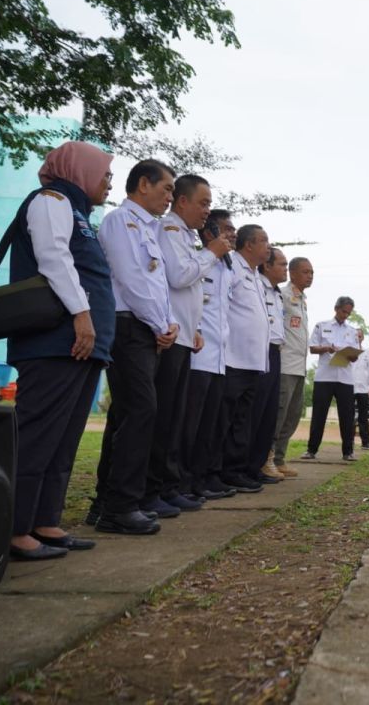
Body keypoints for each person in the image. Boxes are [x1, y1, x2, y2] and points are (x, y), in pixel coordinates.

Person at [6, 142, 116, 560]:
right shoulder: (50, 201)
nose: (107, 181)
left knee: (64, 438)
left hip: (82, 344)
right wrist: (83, 314)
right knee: (37, 436)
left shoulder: (78, 211)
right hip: (55, 341)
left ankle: (45, 521)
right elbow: (53, 258)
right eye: (104, 173)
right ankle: (15, 529)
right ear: (79, 170)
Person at [91, 159, 177, 536]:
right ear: (144, 184)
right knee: (141, 410)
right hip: (128, 327)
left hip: (147, 330)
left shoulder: (150, 228)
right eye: (167, 189)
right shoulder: (119, 221)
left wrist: (168, 322)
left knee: (126, 415)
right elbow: (129, 279)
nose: (169, 197)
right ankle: (121, 506)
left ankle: (107, 503)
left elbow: (158, 284)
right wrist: (160, 324)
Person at [147, 173, 229, 517]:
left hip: (184, 337)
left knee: (174, 419)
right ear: (183, 202)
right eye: (203, 203)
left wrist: (194, 327)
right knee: (164, 419)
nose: (207, 212)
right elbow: (180, 277)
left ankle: (166, 487)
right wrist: (210, 253)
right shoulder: (169, 231)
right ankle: (155, 489)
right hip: (168, 337)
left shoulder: (185, 236)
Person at [183, 210, 237, 500]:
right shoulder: (198, 260)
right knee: (189, 425)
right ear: (209, 232)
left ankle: (201, 480)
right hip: (196, 356)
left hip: (219, 358)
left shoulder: (227, 269)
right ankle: (182, 482)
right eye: (226, 229)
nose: (232, 234)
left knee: (211, 425)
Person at [218, 224, 272, 493]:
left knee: (243, 420)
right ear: (248, 245)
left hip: (252, 361)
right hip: (233, 357)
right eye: (264, 241)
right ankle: (219, 471)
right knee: (226, 419)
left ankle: (236, 470)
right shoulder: (232, 268)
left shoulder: (255, 275)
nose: (268, 246)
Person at [303, 296, 361, 460]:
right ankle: (311, 450)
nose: (345, 316)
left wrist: (351, 355)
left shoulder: (352, 331)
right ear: (336, 308)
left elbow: (355, 355)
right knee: (319, 415)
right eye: (343, 312)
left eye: (348, 313)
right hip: (324, 377)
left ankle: (348, 452)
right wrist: (326, 348)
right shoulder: (322, 326)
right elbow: (312, 348)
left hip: (345, 378)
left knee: (347, 417)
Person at [249, 247, 288, 484]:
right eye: (282, 264)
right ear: (267, 266)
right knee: (257, 410)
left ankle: (260, 464)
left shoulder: (276, 293)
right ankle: (250, 466)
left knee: (269, 413)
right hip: (259, 350)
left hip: (275, 351)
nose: (285, 269)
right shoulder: (258, 287)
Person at [271, 256, 312, 477]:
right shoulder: (283, 296)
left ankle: (280, 458)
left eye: (312, 272)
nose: (310, 276)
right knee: (280, 413)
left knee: (293, 414)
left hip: (300, 366)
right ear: (293, 273)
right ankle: (268, 457)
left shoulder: (302, 299)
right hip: (285, 364)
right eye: (305, 272)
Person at [352, 330, 369, 450]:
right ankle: (349, 441)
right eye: (356, 335)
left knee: (363, 417)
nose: (358, 337)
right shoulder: (348, 350)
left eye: (360, 335)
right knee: (349, 416)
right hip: (350, 387)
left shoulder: (367, 352)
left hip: (363, 389)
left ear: (363, 338)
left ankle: (366, 442)